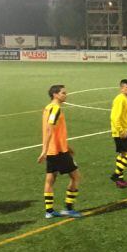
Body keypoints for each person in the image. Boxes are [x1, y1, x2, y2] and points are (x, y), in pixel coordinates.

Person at [38, 84, 82, 218]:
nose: (65, 95)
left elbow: (53, 131)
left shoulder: (48, 108)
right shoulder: (56, 109)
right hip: (58, 151)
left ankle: (49, 212)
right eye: (63, 93)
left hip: (54, 150)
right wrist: (44, 150)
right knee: (76, 177)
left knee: (50, 180)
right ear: (55, 95)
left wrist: (66, 146)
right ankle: (68, 208)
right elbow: (50, 129)